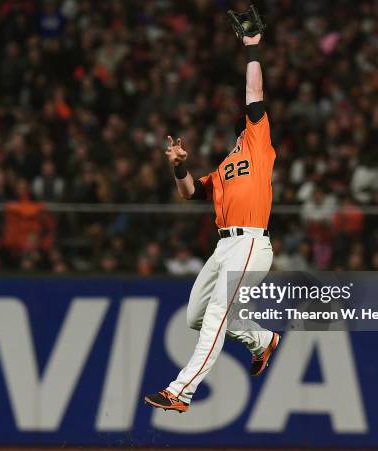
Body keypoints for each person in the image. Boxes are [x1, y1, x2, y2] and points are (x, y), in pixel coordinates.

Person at [144, 31, 280, 413]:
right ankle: (263, 341)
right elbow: (190, 193)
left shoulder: (258, 142)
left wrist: (251, 46)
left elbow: (254, 92)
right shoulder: (224, 167)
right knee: (196, 316)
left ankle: (180, 391)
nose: (244, 124)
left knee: (218, 315)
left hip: (251, 242)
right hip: (225, 246)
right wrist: (179, 166)